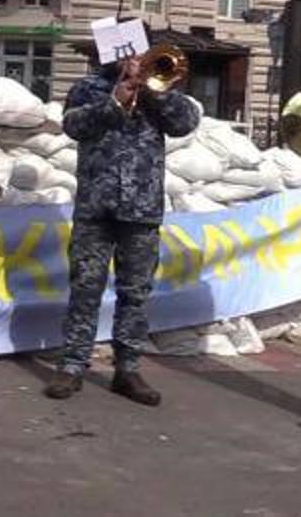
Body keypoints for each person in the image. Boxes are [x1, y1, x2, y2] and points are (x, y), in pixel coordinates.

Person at [45, 44, 199, 405]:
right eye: (119, 48)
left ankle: (127, 368)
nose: (127, 56)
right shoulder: (87, 88)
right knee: (85, 288)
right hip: (95, 208)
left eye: (135, 48)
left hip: (142, 210)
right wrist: (114, 100)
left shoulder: (161, 86)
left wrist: (150, 91)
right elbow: (72, 125)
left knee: (135, 292)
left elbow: (185, 123)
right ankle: (72, 365)